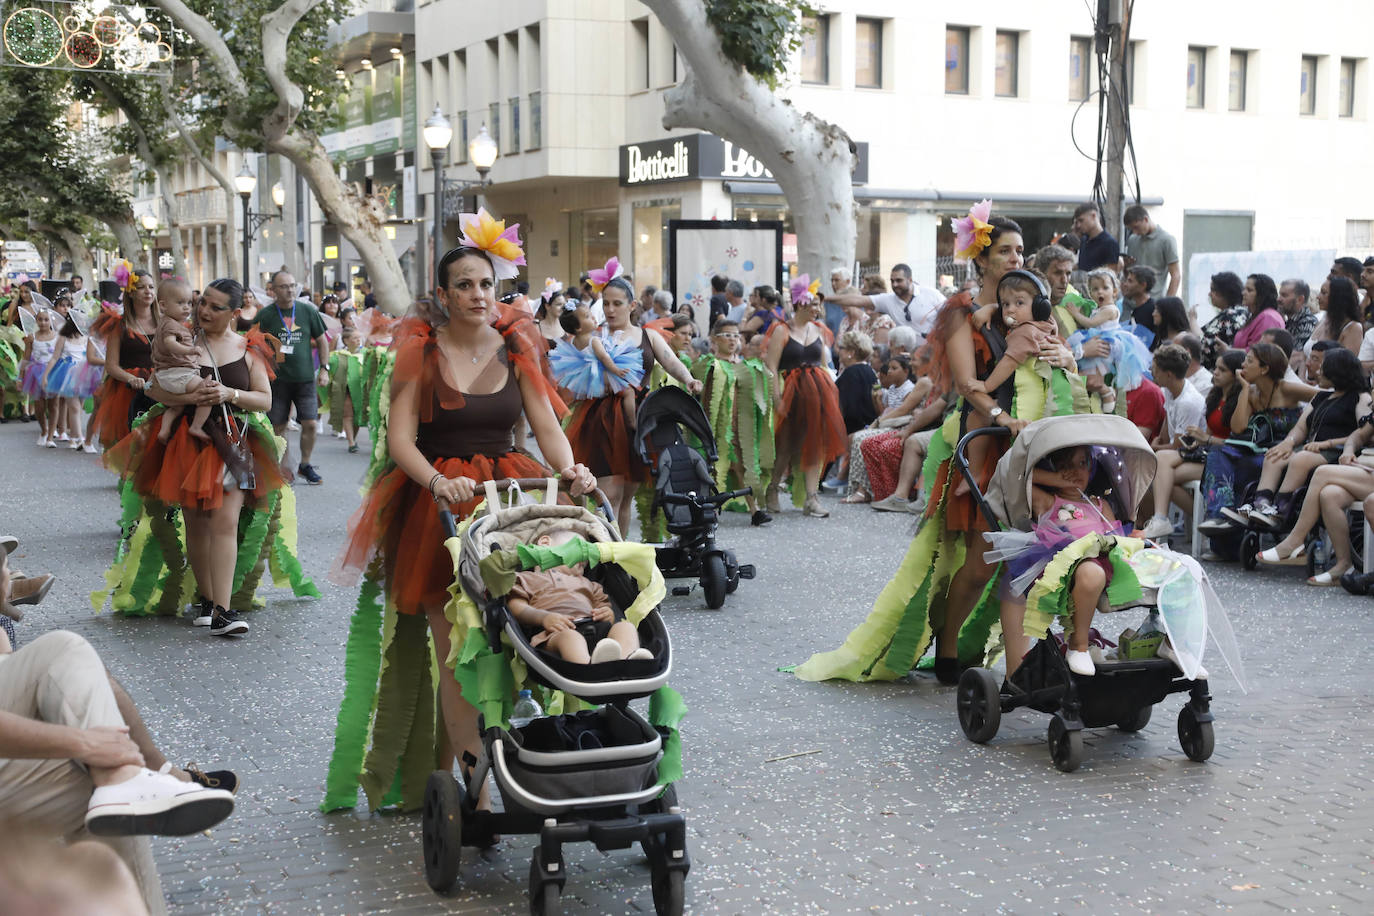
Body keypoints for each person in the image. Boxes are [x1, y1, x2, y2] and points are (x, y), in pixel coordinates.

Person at [328, 212, 596, 812]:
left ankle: (525, 758)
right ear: (444, 296)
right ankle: (473, 790)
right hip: (438, 504)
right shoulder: (421, 352)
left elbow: (548, 429)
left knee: (516, 635)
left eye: (487, 284)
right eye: (466, 285)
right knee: (456, 653)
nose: (479, 295)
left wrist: (571, 470)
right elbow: (400, 440)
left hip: (508, 499)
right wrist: (436, 480)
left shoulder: (518, 346)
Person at [796, 204, 1077, 686]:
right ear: (982, 259)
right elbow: (969, 384)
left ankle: (1037, 651)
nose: (1016, 258)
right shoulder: (962, 313)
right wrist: (1001, 417)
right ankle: (948, 646)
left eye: (1020, 251)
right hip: (986, 439)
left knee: (1034, 549)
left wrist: (1061, 354)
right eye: (1005, 251)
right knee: (975, 558)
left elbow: (1063, 355)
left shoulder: (1034, 305)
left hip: (1035, 440)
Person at [104, 278, 303, 636]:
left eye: (215, 306)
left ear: (235, 313)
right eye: (202, 303)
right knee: (196, 524)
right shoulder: (181, 340)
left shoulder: (248, 347)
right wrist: (189, 398)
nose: (204, 311)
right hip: (188, 441)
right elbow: (155, 387)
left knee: (225, 522)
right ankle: (209, 601)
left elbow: (265, 400)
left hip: (233, 440)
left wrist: (228, 393)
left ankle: (224, 611)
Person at [564, 257, 700, 534]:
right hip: (602, 421)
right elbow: (572, 379)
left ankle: (619, 557)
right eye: (607, 304)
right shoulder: (594, 336)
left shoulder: (648, 336)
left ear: (632, 305)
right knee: (607, 495)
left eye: (618, 303)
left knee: (626, 495)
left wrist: (689, 379)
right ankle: (599, 554)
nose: (611, 309)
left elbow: (671, 361)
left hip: (639, 420)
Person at [1221, 347, 1366, 532]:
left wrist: (1326, 443)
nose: (1317, 371)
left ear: (1337, 371)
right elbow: (1300, 427)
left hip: (1338, 450)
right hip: (1311, 448)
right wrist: (1288, 442)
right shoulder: (1321, 397)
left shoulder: (1360, 398)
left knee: (1300, 459)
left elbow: (1364, 432)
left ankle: (1281, 509)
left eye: (1323, 368)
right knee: (1274, 456)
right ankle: (1261, 504)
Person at [1197, 342, 1312, 536]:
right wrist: (1244, 389)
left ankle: (1230, 515)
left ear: (1265, 368)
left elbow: (1325, 399)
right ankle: (1219, 514)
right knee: (1217, 454)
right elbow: (1238, 427)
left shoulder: (1286, 389)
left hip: (1288, 450)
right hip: (1260, 450)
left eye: (1249, 361)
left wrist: (1298, 435)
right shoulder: (1251, 392)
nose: (1243, 366)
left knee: (1235, 467)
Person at [1028, 445, 1122, 675]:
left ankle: (1168, 643)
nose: (1075, 471)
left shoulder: (1100, 504)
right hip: (1068, 565)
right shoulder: (1048, 501)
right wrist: (1056, 479)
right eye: (1065, 466)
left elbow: (1116, 538)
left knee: (1177, 565)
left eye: (1082, 464)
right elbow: (1018, 478)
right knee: (1092, 572)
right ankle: (1077, 645)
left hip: (1106, 558)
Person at [1139, 349, 1246, 540]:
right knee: (1162, 475)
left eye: (1222, 370)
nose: (1215, 372)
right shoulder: (1215, 396)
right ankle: (1165, 520)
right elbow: (1172, 433)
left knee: (1161, 475)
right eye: (1216, 368)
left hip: (1222, 459)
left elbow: (1233, 438)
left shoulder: (1235, 401)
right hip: (1205, 451)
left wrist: (1205, 438)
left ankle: (1163, 520)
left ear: (1236, 374)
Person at [764, 275, 846, 518]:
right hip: (791, 392)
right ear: (801, 304)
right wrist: (776, 398)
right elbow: (771, 366)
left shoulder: (819, 330)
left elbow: (824, 365)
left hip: (817, 393)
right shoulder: (782, 330)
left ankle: (811, 497)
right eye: (813, 305)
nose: (817, 310)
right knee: (787, 445)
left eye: (818, 305)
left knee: (815, 446)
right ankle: (772, 489)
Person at [1259, 415, 1374, 585]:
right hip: (1367, 470)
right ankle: (1343, 565)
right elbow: (1358, 435)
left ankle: (1294, 541)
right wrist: (1348, 451)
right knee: (1329, 495)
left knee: (1322, 473)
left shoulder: (1362, 398)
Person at [508, 530, 653, 664]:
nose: (585, 558)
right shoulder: (525, 579)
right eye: (579, 548)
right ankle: (587, 668)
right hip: (554, 634)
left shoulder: (589, 584)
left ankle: (626, 661)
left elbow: (604, 607)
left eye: (586, 561)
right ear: (545, 543)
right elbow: (516, 607)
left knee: (625, 627)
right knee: (570, 638)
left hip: (596, 629)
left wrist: (606, 614)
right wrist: (544, 617)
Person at [691, 317, 773, 525]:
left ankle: (754, 509)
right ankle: (714, 508)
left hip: (740, 427)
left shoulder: (745, 367)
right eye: (727, 335)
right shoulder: (709, 365)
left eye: (736, 335)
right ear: (715, 339)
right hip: (716, 427)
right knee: (716, 466)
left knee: (744, 466)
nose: (732, 340)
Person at [253, 270, 330, 485]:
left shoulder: (307, 311)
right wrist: (263, 364)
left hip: (305, 379)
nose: (289, 290)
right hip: (277, 381)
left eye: (292, 285)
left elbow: (323, 341)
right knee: (277, 426)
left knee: (311, 424)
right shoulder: (266, 314)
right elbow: (252, 343)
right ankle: (281, 467)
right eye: (284, 286)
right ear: (274, 290)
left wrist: (324, 368)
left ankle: (305, 465)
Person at [89, 267, 158, 450]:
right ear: (131, 293)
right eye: (142, 287)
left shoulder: (164, 322)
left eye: (151, 287)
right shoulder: (120, 325)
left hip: (159, 387)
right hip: (128, 390)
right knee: (130, 443)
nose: (148, 291)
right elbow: (111, 365)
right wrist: (131, 378)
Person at [549, 302, 644, 433]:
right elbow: (604, 358)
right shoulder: (594, 341)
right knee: (628, 391)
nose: (593, 317)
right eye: (588, 316)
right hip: (599, 373)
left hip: (585, 377)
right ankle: (632, 421)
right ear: (578, 328)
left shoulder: (572, 341)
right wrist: (616, 370)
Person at [146, 280, 210, 443]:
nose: (187, 307)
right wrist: (190, 350)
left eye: (189, 302)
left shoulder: (168, 323)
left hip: (167, 375)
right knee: (208, 391)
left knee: (176, 407)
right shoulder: (170, 325)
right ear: (163, 305)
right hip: (178, 374)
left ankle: (164, 429)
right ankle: (197, 426)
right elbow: (170, 344)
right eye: (180, 303)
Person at [828, 263, 944, 344]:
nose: (894, 285)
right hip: (906, 358)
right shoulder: (888, 300)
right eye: (892, 281)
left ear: (910, 280)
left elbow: (951, 312)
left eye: (899, 280)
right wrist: (826, 298)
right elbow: (858, 300)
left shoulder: (931, 294)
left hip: (933, 352)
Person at [20, 308, 58, 447]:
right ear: (36, 321)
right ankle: (44, 430)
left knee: (54, 405)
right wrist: (20, 377)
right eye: (40, 319)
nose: (43, 323)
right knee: (40, 407)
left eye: (46, 319)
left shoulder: (57, 337)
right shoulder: (32, 337)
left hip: (52, 372)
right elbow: (26, 357)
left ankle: (50, 437)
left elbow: (59, 355)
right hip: (35, 374)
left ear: (51, 320)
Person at [1122, 205, 1180, 297]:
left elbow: (1175, 275)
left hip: (1154, 301)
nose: (1135, 232)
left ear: (1145, 219)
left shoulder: (1166, 240)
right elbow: (1128, 273)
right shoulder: (1132, 240)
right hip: (1130, 302)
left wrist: (1167, 303)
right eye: (1131, 229)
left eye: (1136, 227)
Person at [1198, 271, 1248, 368]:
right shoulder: (1241, 311)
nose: (1209, 294)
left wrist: (1192, 320)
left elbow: (1204, 345)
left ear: (1224, 292)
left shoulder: (1230, 315)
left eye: (1213, 290)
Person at [1232, 274, 1286, 351]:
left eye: (1249, 290)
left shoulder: (1268, 318)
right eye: (1244, 289)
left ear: (1262, 295)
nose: (1243, 293)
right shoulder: (1257, 315)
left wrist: (1227, 350)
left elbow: (1260, 351)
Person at [1073, 201, 1120, 272]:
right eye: (1077, 222)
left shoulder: (1110, 243)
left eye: (1081, 220)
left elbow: (1111, 275)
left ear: (1093, 216)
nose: (1078, 225)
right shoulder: (1084, 240)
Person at [1279, 279, 1318, 353]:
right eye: (1279, 295)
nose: (1279, 299)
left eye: (1284, 296)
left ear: (1300, 299)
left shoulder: (1307, 323)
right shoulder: (1289, 321)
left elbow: (1295, 354)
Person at [1120, 264, 1159, 338]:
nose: (1125, 284)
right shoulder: (1136, 310)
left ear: (1143, 285)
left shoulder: (1154, 310)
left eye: (1130, 281)